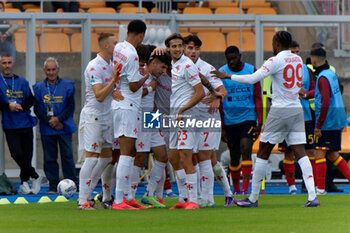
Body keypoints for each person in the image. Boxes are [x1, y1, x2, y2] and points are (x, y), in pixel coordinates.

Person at [212, 31, 319, 207]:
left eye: (272, 43)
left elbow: (253, 78)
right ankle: (312, 196)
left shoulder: (275, 60)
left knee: (262, 151)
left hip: (279, 110)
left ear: (277, 43)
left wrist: (228, 76)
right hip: (297, 110)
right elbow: (296, 83)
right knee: (300, 152)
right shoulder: (298, 59)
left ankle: (253, 198)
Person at [183, 34, 229, 207]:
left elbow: (222, 90)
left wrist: (218, 99)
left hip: (208, 117)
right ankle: (201, 196)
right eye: (190, 48)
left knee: (205, 157)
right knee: (192, 158)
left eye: (196, 48)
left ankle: (207, 197)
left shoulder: (207, 68)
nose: (193, 52)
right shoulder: (179, 67)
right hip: (190, 118)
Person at [75, 33, 118, 210]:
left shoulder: (112, 64)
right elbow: (99, 95)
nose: (118, 46)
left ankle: (93, 194)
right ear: (106, 46)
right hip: (93, 116)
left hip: (108, 116)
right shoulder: (94, 66)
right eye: (115, 43)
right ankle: (82, 200)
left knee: (108, 157)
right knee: (91, 158)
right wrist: (114, 81)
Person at [165, 33, 205, 210]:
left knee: (185, 156)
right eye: (173, 46)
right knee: (173, 158)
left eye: (180, 46)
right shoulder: (172, 65)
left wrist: (183, 109)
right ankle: (182, 199)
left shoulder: (187, 65)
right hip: (175, 116)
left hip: (186, 116)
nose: (177, 49)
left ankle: (193, 200)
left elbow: (200, 93)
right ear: (168, 48)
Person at [111, 20, 147, 210]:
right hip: (128, 105)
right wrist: (146, 77)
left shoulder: (118, 47)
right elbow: (133, 86)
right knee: (126, 152)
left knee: (130, 151)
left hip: (120, 104)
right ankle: (118, 200)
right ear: (141, 35)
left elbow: (115, 73)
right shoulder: (132, 54)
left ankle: (126, 196)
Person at [218, 45, 262, 196]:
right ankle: (236, 189)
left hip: (248, 118)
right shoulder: (222, 72)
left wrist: (260, 121)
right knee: (234, 155)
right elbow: (219, 102)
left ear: (240, 56)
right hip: (230, 120)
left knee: (246, 148)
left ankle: (245, 189)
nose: (231, 62)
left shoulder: (251, 71)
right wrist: (222, 126)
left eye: (234, 58)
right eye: (228, 59)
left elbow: (257, 97)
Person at [309, 47, 350, 194]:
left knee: (319, 152)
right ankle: (320, 188)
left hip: (328, 122)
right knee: (333, 155)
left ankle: (320, 189)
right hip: (337, 119)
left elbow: (325, 101)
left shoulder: (322, 77)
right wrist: (307, 95)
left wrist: (318, 125)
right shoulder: (330, 74)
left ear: (313, 59)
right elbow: (323, 93)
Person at [33, 57, 77, 194]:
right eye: (48, 70)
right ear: (44, 71)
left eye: (53, 69)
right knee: (50, 158)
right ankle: (53, 185)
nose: (51, 72)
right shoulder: (39, 87)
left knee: (67, 156)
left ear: (58, 70)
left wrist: (58, 119)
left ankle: (72, 184)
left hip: (64, 126)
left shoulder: (68, 85)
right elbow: (37, 109)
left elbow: (71, 107)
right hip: (48, 128)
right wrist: (49, 121)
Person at [278, 41, 316, 195]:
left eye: (298, 52)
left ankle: (307, 185)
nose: (295, 55)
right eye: (292, 52)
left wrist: (305, 93)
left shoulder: (306, 69)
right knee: (289, 152)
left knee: (310, 152)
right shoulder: (280, 68)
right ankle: (291, 186)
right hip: (286, 116)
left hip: (305, 116)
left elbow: (314, 90)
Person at [0, 53, 41, 194]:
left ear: (13, 64)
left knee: (27, 155)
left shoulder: (22, 81)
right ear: (1, 64)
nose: (7, 65)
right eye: (4, 63)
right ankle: (35, 175)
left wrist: (22, 106)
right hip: (10, 124)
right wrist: (8, 106)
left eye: (9, 62)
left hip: (25, 122)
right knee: (16, 153)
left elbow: (31, 99)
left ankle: (24, 183)